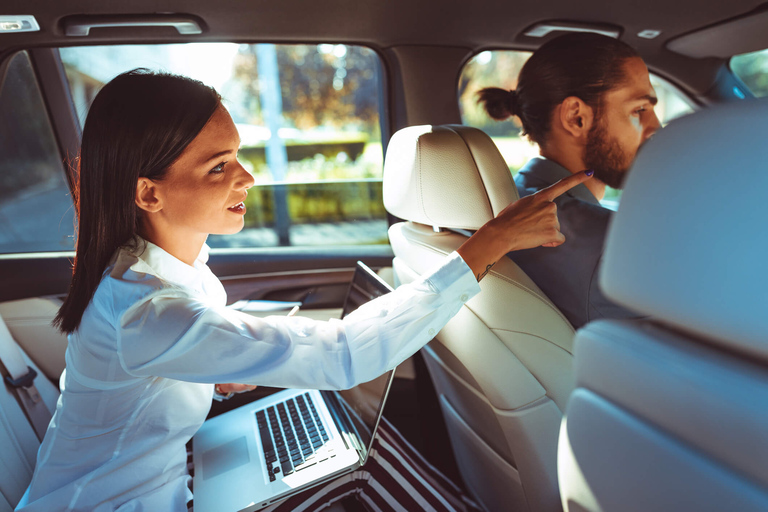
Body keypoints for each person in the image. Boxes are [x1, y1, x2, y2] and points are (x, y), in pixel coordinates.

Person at [16, 69, 590, 512]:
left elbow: (143, 382)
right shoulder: (148, 307)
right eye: (219, 168)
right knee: (361, 469)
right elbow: (344, 355)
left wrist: (214, 378)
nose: (247, 177)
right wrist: (485, 246)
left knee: (345, 452)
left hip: (166, 486)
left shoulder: (161, 272)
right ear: (149, 194)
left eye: (237, 156)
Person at [478, 32, 661, 329]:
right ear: (577, 117)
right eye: (639, 110)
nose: (656, 127)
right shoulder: (611, 245)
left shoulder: (507, 200)